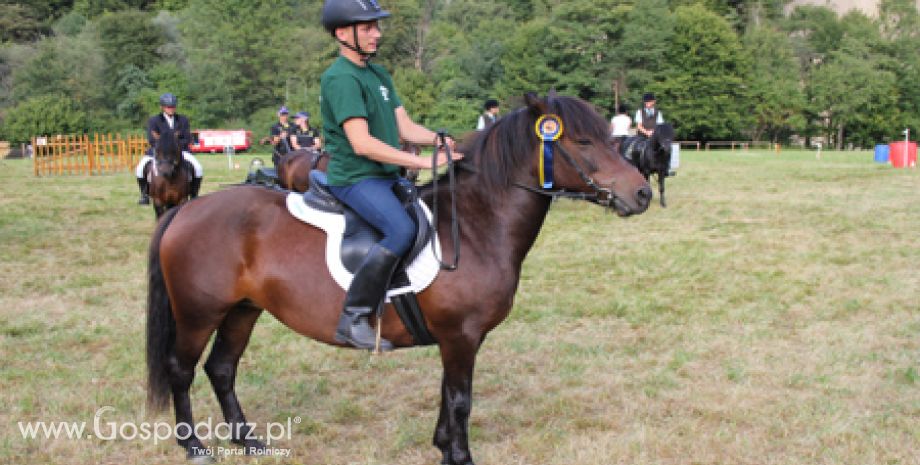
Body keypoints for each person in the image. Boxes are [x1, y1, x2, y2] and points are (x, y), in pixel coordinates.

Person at [320, 0, 459, 350]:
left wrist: (441, 141)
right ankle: (353, 316)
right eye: (367, 28)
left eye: (376, 27)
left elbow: (406, 127)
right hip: (355, 177)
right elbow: (362, 143)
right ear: (342, 33)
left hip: (384, 176)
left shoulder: (378, 75)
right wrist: (422, 163)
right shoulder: (340, 78)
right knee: (401, 229)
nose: (377, 34)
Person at [135, 93, 203, 205]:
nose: (171, 109)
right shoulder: (154, 120)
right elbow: (152, 139)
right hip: (159, 151)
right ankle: (144, 194)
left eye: (173, 106)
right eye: (168, 107)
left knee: (198, 168)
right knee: (140, 168)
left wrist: (176, 146)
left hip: (180, 151)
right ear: (162, 107)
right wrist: (164, 146)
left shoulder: (183, 120)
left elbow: (187, 138)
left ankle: (194, 194)